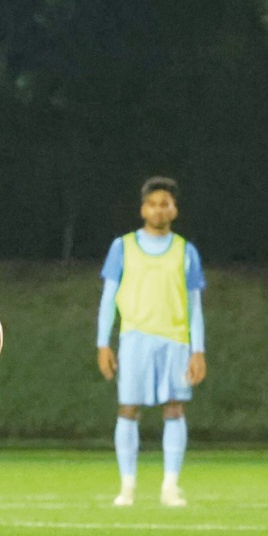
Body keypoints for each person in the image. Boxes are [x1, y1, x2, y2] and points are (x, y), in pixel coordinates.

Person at [97, 177, 207, 507]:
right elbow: (108, 298)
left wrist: (198, 349)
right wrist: (103, 342)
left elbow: (194, 304)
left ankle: (170, 487)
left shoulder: (186, 250)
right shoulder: (123, 246)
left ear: (174, 210)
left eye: (166, 203)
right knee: (129, 409)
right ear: (143, 208)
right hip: (134, 339)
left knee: (174, 408)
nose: (160, 209)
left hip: (175, 341)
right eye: (153, 203)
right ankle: (127, 486)